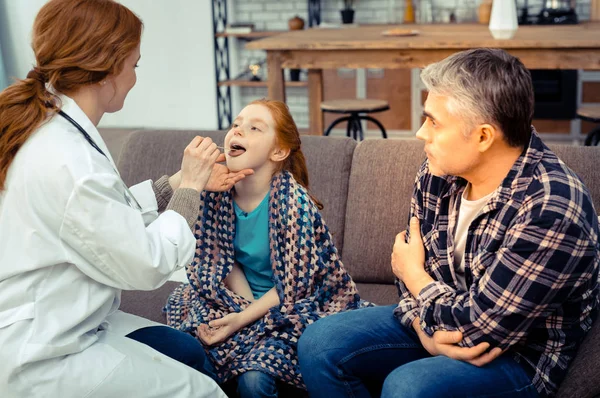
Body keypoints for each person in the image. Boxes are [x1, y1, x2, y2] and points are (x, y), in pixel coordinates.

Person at [297, 48, 600, 398]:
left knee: (408, 387)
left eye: (434, 122)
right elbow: (408, 279)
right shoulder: (439, 171)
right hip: (438, 322)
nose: (420, 134)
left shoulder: (553, 208)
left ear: (484, 136)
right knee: (319, 344)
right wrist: (426, 335)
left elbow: (480, 326)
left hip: (519, 356)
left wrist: (416, 276)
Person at [0, 1, 252, 396]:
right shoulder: (68, 160)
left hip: (60, 318)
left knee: (186, 351)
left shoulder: (51, 125)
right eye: (134, 65)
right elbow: (146, 264)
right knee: (205, 392)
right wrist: (190, 190)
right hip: (46, 352)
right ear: (108, 69)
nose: (135, 76)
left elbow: (99, 218)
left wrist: (178, 183)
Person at [165, 99, 365, 398]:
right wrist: (240, 309)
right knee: (188, 349)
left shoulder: (293, 204)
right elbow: (219, 260)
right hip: (235, 297)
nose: (238, 131)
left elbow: (293, 287)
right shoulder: (214, 193)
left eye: (254, 128)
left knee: (254, 381)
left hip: (294, 303)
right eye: (236, 125)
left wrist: (240, 321)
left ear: (278, 151)